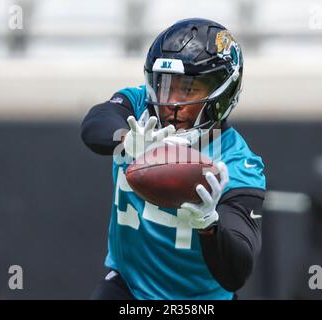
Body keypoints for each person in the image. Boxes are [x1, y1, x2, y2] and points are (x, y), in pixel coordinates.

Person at [81, 18, 266, 300]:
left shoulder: (240, 164)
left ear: (222, 93)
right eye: (166, 85)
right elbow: (94, 125)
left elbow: (236, 271)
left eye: (189, 89)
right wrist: (126, 140)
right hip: (128, 287)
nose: (172, 103)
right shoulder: (140, 108)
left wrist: (209, 224)